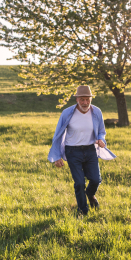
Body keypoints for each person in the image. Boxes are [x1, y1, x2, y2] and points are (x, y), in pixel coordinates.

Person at [48, 85, 116, 216]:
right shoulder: (67, 113)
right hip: (73, 151)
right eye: (82, 99)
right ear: (77, 100)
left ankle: (90, 195)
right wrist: (57, 156)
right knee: (79, 183)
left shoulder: (96, 112)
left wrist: (101, 140)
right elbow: (58, 134)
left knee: (96, 179)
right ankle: (83, 211)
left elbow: (102, 132)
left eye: (87, 99)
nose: (85, 102)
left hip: (91, 150)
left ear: (91, 99)